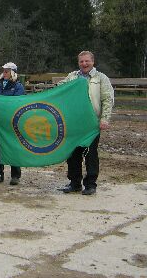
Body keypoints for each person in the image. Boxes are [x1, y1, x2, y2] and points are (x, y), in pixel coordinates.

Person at [59, 51, 114, 195]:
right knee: (73, 154)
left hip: (92, 123)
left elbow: (107, 99)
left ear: (93, 61)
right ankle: (74, 183)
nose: (84, 64)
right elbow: (59, 90)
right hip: (73, 122)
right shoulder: (72, 77)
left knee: (90, 155)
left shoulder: (101, 78)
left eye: (87, 61)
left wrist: (104, 119)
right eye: (81, 61)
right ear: (78, 63)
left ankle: (90, 184)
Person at [0, 62, 25, 185]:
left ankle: (15, 175)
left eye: (6, 71)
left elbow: (18, 103)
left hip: (12, 122)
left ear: (13, 72)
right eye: (3, 71)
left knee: (14, 146)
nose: (4, 73)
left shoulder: (18, 87)